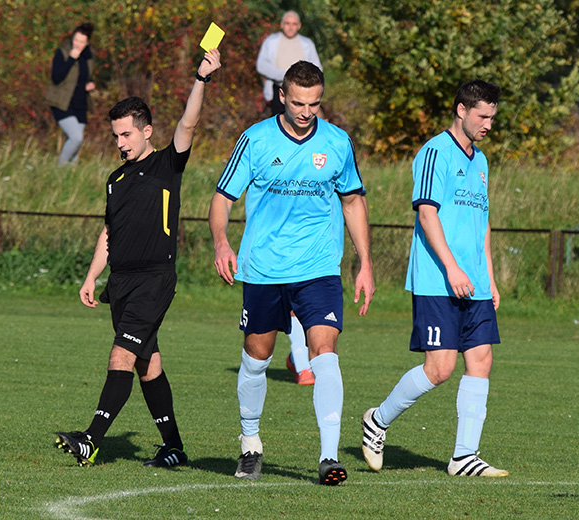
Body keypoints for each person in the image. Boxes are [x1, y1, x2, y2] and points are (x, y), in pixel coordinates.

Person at [54, 49, 222, 468]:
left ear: (146, 132)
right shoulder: (115, 180)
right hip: (122, 282)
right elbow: (109, 233)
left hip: (154, 278)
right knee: (147, 364)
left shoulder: (168, 163)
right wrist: (92, 276)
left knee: (121, 357)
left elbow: (189, 122)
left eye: (126, 135)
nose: (119, 143)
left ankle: (91, 440)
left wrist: (201, 78)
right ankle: (175, 447)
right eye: (115, 136)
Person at [209, 61, 374, 485]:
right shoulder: (255, 140)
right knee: (256, 357)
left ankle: (328, 456)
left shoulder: (337, 142)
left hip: (318, 268)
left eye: (314, 103)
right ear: (282, 96)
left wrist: (364, 264)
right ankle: (250, 445)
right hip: (264, 269)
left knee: (325, 353)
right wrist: (222, 242)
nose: (306, 111)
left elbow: (353, 202)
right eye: (298, 102)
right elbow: (223, 198)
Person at [361, 80, 509, 478]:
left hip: (474, 282)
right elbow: (427, 214)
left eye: (493, 117)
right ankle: (377, 420)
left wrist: (489, 279)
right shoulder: (434, 152)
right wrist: (452, 268)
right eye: (482, 116)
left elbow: (483, 225)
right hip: (437, 280)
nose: (488, 125)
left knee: (481, 360)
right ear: (461, 110)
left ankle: (464, 457)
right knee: (440, 369)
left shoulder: (481, 162)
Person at [45, 23, 96, 166]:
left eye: (81, 41)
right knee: (76, 137)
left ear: (87, 43)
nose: (77, 44)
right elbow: (56, 77)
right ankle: (59, 169)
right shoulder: (62, 53)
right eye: (75, 40)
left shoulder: (88, 56)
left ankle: (70, 177)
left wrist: (90, 84)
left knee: (75, 145)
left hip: (80, 104)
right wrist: (71, 59)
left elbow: (85, 76)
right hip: (62, 102)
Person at [256, 11, 322, 116]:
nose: (291, 27)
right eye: (287, 23)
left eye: (294, 24)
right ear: (282, 24)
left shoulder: (307, 44)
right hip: (278, 91)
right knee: (279, 125)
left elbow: (317, 70)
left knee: (299, 125)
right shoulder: (271, 41)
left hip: (301, 94)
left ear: (299, 26)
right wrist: (285, 76)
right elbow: (261, 65)